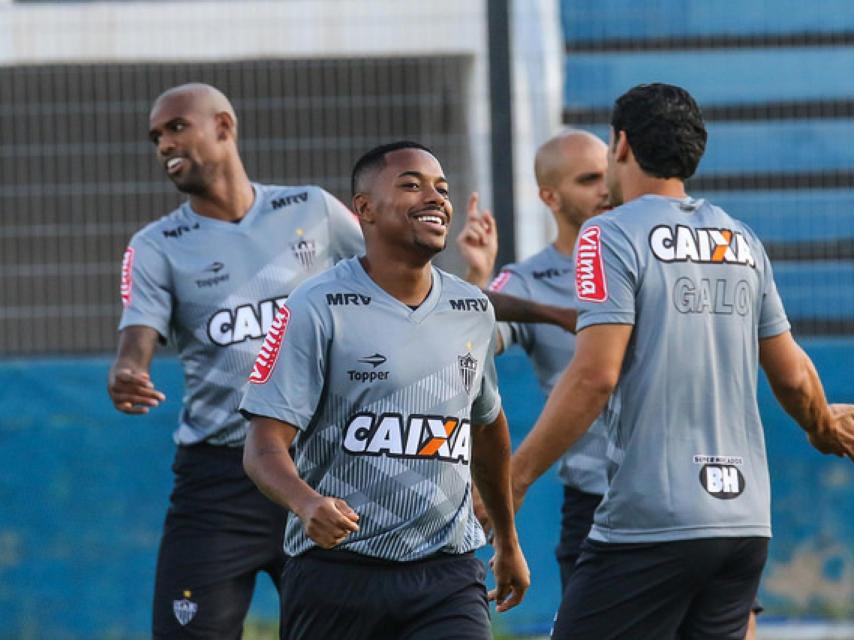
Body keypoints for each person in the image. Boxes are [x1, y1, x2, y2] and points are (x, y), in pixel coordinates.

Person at [508, 83, 854, 639]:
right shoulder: (740, 239)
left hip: (651, 519)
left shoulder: (608, 234)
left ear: (620, 145)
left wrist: (515, 477)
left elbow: (595, 375)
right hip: (743, 525)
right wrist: (821, 426)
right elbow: (791, 373)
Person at [239, 141, 530, 640]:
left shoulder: (472, 309)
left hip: (447, 573)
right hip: (337, 575)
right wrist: (307, 503)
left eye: (441, 188)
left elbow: (487, 427)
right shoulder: (314, 306)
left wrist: (507, 540)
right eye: (411, 185)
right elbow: (262, 446)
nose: (435, 197)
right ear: (365, 209)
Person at [107, 83, 365, 639]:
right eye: (156, 136)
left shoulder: (313, 210)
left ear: (224, 127)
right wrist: (130, 368)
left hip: (321, 466)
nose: (164, 144)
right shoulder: (156, 245)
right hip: (219, 482)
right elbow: (138, 329)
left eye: (177, 127)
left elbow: (389, 277)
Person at [460, 129, 611, 593]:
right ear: (550, 195)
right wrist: (477, 277)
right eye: (588, 180)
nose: (606, 189)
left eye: (609, 175)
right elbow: (464, 342)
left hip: (681, 491)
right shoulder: (526, 281)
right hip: (596, 502)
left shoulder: (651, 257)